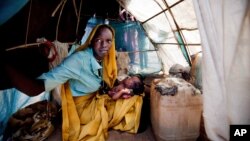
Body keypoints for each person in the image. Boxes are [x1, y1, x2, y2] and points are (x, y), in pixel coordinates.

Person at [2, 24, 144, 141]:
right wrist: (5, 65)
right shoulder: (78, 61)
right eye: (99, 40)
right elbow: (36, 89)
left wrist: (120, 90)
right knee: (122, 108)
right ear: (91, 40)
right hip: (81, 110)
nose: (104, 45)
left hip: (93, 99)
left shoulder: (106, 59)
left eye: (108, 41)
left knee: (131, 100)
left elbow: (106, 82)